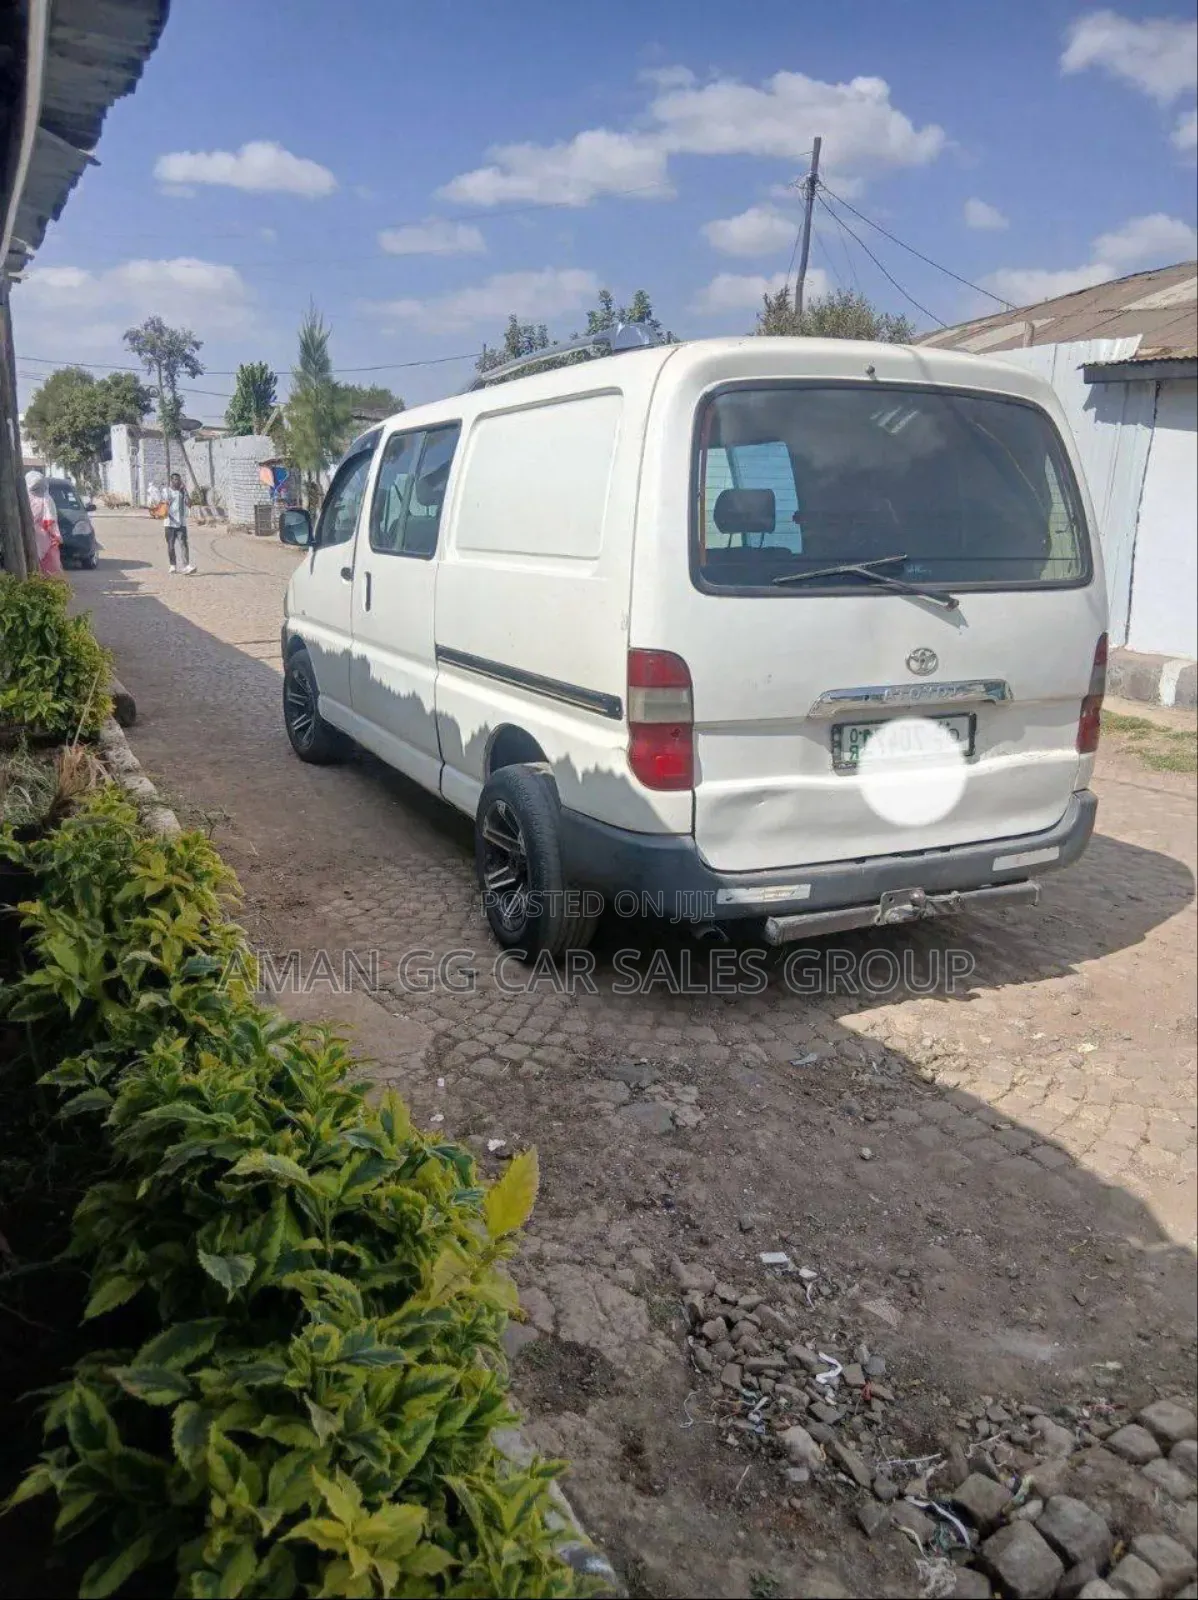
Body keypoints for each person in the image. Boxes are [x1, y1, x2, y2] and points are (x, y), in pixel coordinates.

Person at [25, 470, 63, 575]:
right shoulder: (47, 499)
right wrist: (56, 536)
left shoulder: (24, 498)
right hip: (46, 539)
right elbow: (51, 522)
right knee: (51, 569)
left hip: (27, 538)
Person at [163, 472, 196, 574]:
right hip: (169, 523)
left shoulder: (182, 492)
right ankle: (173, 565)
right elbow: (164, 504)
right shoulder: (166, 491)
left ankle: (186, 566)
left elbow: (189, 504)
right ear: (171, 481)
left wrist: (185, 492)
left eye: (179, 480)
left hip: (181, 523)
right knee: (171, 545)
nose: (178, 482)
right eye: (176, 480)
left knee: (184, 544)